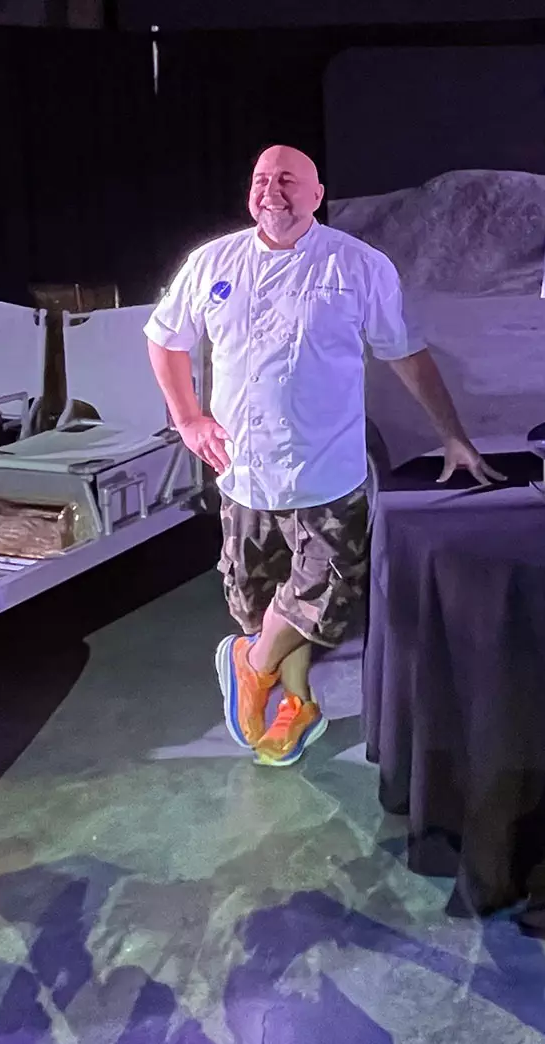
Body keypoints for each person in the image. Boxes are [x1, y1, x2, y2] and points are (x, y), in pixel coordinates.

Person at [143, 144, 501, 767]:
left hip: (325, 472)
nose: (271, 190)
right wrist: (188, 418)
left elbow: (405, 354)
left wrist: (453, 434)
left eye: (287, 179)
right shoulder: (212, 263)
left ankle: (248, 664)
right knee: (260, 599)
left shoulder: (357, 266)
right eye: (260, 179)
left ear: (316, 194)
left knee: (322, 592)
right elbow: (164, 341)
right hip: (242, 471)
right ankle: (297, 702)